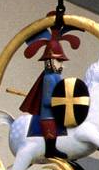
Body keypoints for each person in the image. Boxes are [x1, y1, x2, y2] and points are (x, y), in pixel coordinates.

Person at [20, 21, 81, 159]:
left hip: (58, 113)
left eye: (62, 62)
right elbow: (47, 100)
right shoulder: (49, 78)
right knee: (51, 129)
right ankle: (50, 150)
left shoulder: (56, 77)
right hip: (49, 115)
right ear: (50, 62)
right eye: (59, 61)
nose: (61, 65)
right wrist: (61, 102)